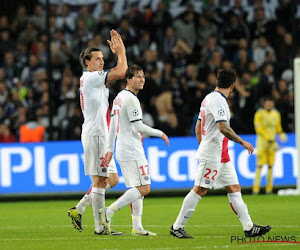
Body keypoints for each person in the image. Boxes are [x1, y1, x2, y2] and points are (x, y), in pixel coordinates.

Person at [170, 69, 271, 239]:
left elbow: (197, 127)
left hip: (221, 153)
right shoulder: (219, 101)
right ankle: (177, 226)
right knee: (200, 189)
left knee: (234, 188)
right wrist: (242, 142)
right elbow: (222, 127)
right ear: (233, 85)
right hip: (213, 152)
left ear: (217, 81)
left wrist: (203, 145)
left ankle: (248, 227)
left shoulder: (208, 98)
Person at [68, 29, 127, 236]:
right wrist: (121, 52)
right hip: (96, 134)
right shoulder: (91, 78)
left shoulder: (94, 79)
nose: (102, 62)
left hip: (101, 133)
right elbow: (121, 72)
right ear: (88, 62)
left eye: (103, 58)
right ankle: (100, 227)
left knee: (111, 180)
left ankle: (80, 208)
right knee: (100, 181)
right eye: (97, 59)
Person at [100, 64, 169, 236]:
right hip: (132, 149)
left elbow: (113, 124)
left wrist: (110, 148)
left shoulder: (119, 97)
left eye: (143, 76)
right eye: (138, 76)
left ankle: (137, 227)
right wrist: (160, 133)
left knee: (137, 189)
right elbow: (138, 126)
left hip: (123, 149)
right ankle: (109, 211)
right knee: (144, 188)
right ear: (129, 80)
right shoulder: (131, 99)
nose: (142, 79)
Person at [253, 96, 287, 194]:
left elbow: (278, 127)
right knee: (259, 166)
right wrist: (269, 139)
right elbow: (258, 129)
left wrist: (281, 133)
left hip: (272, 144)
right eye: (267, 104)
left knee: (271, 166)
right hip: (262, 143)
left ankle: (269, 189)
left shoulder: (276, 114)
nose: (269, 105)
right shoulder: (259, 114)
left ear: (273, 104)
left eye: (270, 104)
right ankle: (256, 189)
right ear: (264, 104)